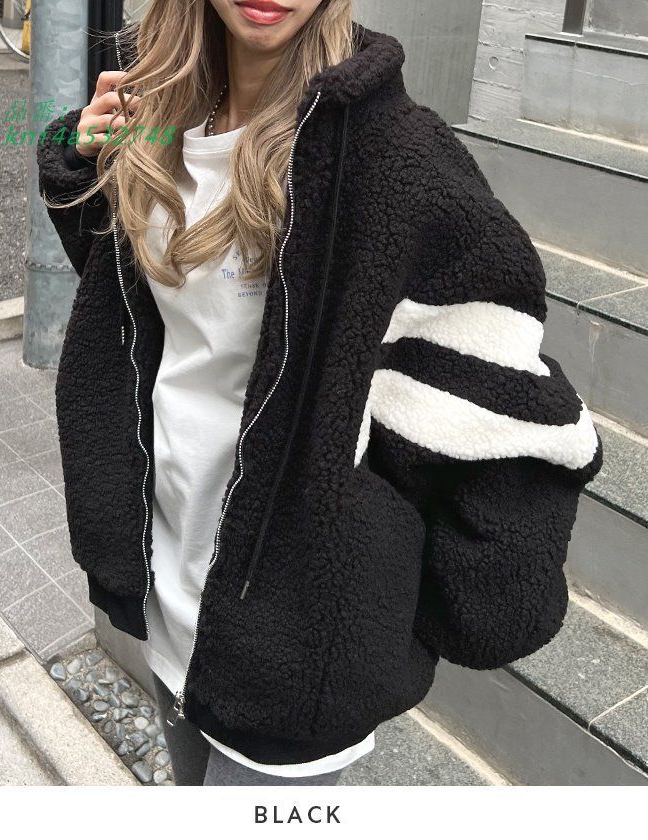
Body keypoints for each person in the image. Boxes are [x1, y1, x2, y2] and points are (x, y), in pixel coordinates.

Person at [36, 0, 602, 786]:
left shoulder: (396, 155)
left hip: (296, 650)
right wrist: (85, 162)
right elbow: (137, 321)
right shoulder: (164, 119)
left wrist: (403, 602)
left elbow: (509, 400)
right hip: (169, 590)